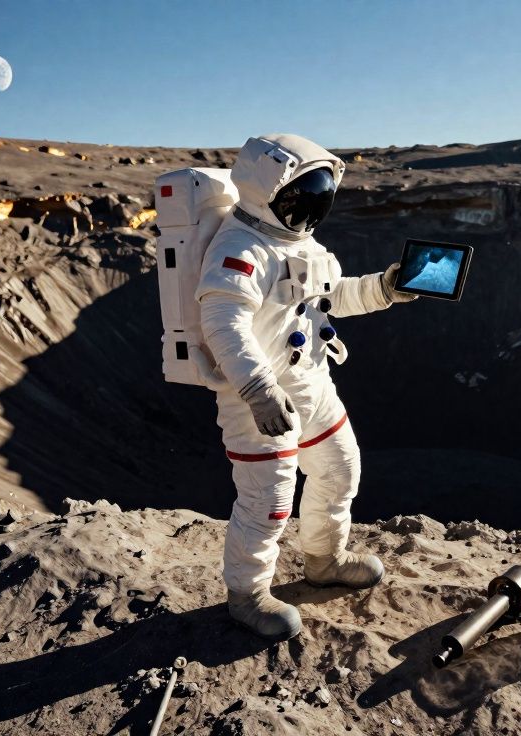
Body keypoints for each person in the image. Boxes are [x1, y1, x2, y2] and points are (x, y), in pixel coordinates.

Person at [193, 134, 417, 640]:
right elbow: (223, 323)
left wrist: (384, 288)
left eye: (320, 198)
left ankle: (323, 559)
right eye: (304, 197)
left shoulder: (299, 243)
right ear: (271, 191)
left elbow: (329, 297)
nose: (312, 208)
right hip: (258, 395)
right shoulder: (239, 250)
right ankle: (247, 595)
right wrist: (256, 388)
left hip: (311, 381)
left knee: (339, 468)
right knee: (269, 498)